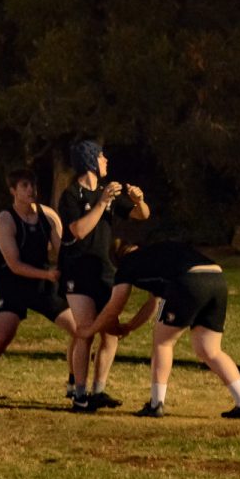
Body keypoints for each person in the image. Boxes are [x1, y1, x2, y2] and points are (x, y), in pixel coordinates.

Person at [75, 241, 240, 420]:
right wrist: (129, 327)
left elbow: (115, 305)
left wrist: (90, 330)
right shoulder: (157, 254)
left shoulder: (128, 265)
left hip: (186, 281)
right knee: (210, 350)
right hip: (217, 278)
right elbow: (153, 303)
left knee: (163, 343)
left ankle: (156, 404)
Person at [0, 169, 77, 407]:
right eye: (24, 186)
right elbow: (14, 264)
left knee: (80, 330)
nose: (31, 190)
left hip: (43, 284)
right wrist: (48, 274)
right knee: (3, 335)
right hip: (12, 284)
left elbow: (62, 251)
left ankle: (74, 385)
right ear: (13, 191)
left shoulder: (48, 216)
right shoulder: (5, 220)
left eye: (32, 185)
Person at [58, 140, 150, 411]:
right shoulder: (72, 195)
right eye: (101, 156)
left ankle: (98, 391)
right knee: (85, 331)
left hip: (104, 271)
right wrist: (103, 202)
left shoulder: (104, 192)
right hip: (78, 272)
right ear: (89, 161)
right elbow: (78, 231)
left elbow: (142, 215)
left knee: (110, 335)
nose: (106, 161)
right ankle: (80, 394)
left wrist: (139, 200)